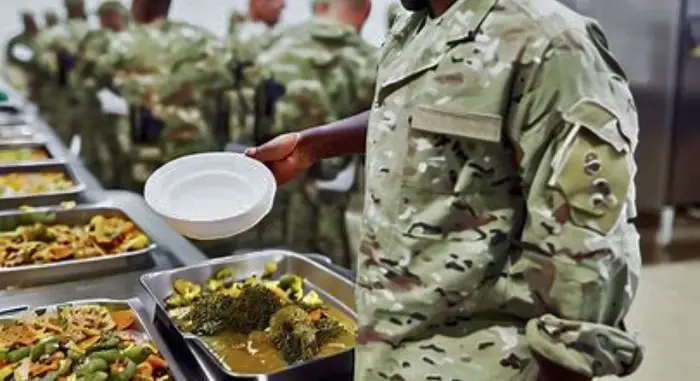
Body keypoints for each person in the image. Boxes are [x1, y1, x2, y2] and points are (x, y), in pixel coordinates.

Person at [246, 0, 643, 380]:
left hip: (482, 363)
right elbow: (421, 111)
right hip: (388, 353)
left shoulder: (553, 46)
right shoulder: (418, 24)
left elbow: (590, 263)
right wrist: (312, 146)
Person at [225, 0, 376, 267]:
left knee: (250, 284)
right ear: (367, 11)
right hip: (327, 216)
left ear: (318, 5)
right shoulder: (371, 62)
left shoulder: (264, 46)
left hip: (264, 200)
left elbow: (237, 121)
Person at [70, 0, 132, 187]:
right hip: (97, 106)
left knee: (123, 153)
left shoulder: (131, 38)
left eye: (112, 15)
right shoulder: (95, 39)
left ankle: (123, 187)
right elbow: (83, 72)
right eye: (105, 16)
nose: (108, 20)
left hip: (125, 108)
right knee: (95, 153)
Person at [33, 0, 91, 143]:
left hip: (81, 98)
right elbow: (44, 63)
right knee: (59, 141)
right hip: (64, 98)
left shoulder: (86, 30)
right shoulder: (56, 34)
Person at [4, 12, 41, 95]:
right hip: (28, 76)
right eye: (28, 21)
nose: (32, 24)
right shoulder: (17, 41)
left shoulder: (44, 36)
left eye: (32, 21)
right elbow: (12, 60)